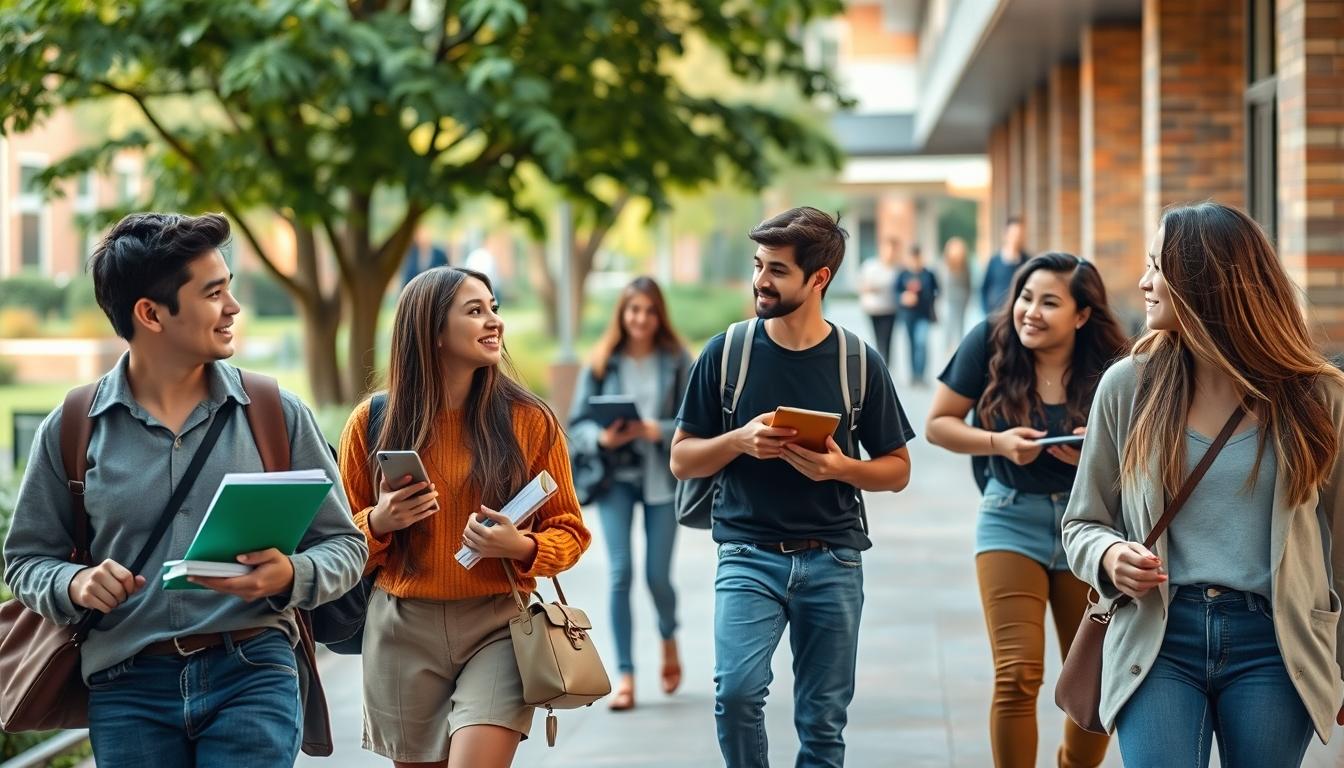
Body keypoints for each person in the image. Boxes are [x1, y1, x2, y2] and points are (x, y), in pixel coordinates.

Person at [2, 212, 367, 767]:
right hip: (127, 687)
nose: (233, 308)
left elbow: (346, 546)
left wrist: (293, 574)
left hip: (253, 669)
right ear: (150, 313)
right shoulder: (74, 426)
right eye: (213, 293)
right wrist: (76, 584)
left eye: (230, 289)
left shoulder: (274, 413)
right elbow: (27, 561)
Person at [1062, 202, 1344, 767]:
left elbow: (1340, 539)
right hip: (1158, 637)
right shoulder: (1128, 386)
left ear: (1205, 280)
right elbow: (1081, 523)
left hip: (1276, 643)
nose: (1143, 282)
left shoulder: (1318, 398)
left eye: (1157, 266)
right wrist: (1110, 553)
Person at [670, 206, 915, 768]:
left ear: (818, 279)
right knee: (734, 696)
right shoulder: (726, 353)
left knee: (823, 724)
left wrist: (842, 469)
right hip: (746, 554)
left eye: (777, 270)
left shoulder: (858, 361)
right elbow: (682, 460)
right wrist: (738, 441)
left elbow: (897, 468)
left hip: (834, 560)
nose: (760, 280)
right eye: (758, 265)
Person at [338, 266, 591, 768]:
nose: (494, 321)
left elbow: (571, 531)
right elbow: (336, 547)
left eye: (494, 308)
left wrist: (520, 547)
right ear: (432, 332)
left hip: (499, 624)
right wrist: (381, 522)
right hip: (401, 631)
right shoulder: (372, 423)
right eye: (475, 311)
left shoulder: (529, 419)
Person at [925, 252, 1128, 768]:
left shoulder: (1115, 366)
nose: (1029, 312)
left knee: (1095, 674)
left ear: (1082, 315)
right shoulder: (990, 341)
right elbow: (939, 424)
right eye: (1025, 297)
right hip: (1009, 517)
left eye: (1049, 302)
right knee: (1017, 674)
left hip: (1094, 529)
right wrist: (997, 443)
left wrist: (1095, 454)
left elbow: (1151, 450)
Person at [567, 276, 691, 711]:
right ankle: (625, 675)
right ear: (622, 314)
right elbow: (576, 426)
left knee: (657, 576)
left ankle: (669, 636)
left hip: (662, 478)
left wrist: (659, 429)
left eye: (649, 310)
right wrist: (602, 440)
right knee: (620, 574)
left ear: (660, 315)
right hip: (614, 480)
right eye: (633, 309)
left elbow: (701, 421)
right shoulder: (601, 364)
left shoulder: (678, 361)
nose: (640, 318)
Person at [894, 244, 940, 385]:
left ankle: (920, 375)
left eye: (917, 257)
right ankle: (913, 375)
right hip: (908, 315)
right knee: (911, 344)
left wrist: (924, 295)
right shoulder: (903, 274)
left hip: (924, 315)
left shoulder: (928, 274)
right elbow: (895, 292)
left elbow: (937, 291)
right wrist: (904, 297)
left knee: (921, 342)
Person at [857, 237, 901, 364]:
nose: (891, 253)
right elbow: (861, 285)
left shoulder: (898, 269)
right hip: (873, 309)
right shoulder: (870, 266)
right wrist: (873, 287)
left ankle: (885, 364)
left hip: (890, 309)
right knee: (878, 338)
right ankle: (882, 363)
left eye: (894, 250)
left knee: (887, 339)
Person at [981, 217, 1030, 316]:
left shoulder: (1027, 261)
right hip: (996, 314)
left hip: (1018, 314)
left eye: (1019, 235)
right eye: (1013, 234)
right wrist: (986, 310)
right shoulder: (994, 261)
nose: (1016, 238)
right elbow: (984, 288)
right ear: (1005, 235)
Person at [941, 236, 972, 354]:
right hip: (949, 299)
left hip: (961, 299)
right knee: (948, 323)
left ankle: (958, 348)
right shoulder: (945, 265)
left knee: (960, 324)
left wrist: (968, 299)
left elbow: (969, 285)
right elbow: (942, 284)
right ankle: (948, 347)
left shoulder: (965, 266)